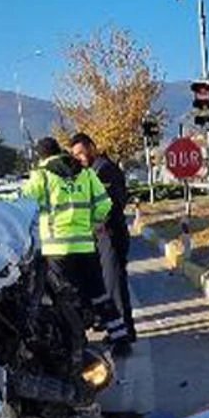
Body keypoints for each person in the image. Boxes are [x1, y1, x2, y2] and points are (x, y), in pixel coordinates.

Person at [22, 137, 131, 350]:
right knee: (99, 293)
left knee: (68, 298)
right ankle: (120, 337)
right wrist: (93, 222)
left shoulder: (42, 176)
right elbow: (104, 203)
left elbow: (20, 198)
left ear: (42, 156)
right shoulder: (86, 173)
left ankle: (78, 344)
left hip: (58, 249)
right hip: (85, 246)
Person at [69, 133, 137, 343]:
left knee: (113, 283)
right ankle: (117, 328)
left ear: (92, 147)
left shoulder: (104, 169)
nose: (79, 157)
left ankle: (124, 331)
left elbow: (111, 205)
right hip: (101, 235)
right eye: (75, 155)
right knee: (107, 284)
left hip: (109, 234)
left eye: (81, 152)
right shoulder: (92, 171)